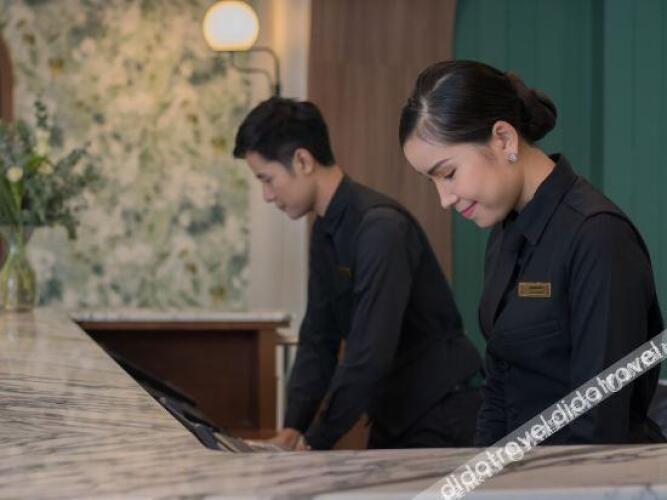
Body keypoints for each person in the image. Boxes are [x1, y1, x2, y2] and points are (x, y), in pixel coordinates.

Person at [399, 60, 665, 446]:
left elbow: (598, 424)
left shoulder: (598, 237)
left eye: (449, 173)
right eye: (432, 181)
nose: (444, 199)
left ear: (504, 139)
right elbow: (498, 388)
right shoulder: (504, 231)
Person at [233, 97, 482, 450]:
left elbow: (368, 353)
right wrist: (292, 428)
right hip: (394, 411)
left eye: (267, 179)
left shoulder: (381, 228)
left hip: (443, 411)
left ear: (302, 161)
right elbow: (318, 337)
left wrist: (314, 442)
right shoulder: (324, 230)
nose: (266, 195)